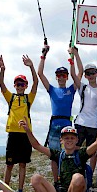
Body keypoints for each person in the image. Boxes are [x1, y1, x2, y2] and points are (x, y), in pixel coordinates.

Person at [38, 44, 83, 181]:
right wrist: (43, 55)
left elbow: (80, 72)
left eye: (64, 75)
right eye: (59, 75)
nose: (61, 77)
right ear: (56, 77)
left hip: (67, 125)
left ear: (67, 77)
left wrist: (75, 54)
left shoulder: (71, 89)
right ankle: (56, 181)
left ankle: (66, 178)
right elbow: (40, 74)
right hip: (54, 124)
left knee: (68, 153)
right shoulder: (51, 89)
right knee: (54, 155)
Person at [0, 54, 38, 192]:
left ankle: (20, 191)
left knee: (22, 164)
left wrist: (32, 66)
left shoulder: (28, 98)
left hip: (26, 134)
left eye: (22, 84)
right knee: (9, 164)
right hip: (13, 134)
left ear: (25, 86)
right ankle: (5, 189)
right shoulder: (11, 97)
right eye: (17, 84)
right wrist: (2, 69)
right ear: (14, 86)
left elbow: (36, 84)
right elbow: (0, 83)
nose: (20, 86)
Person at [69, 47, 97, 171]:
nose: (91, 75)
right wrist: (75, 54)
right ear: (85, 76)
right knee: (76, 147)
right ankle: (74, 169)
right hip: (81, 122)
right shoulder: (83, 87)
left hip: (94, 125)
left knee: (93, 152)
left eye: (93, 73)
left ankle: (90, 175)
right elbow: (73, 75)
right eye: (88, 73)